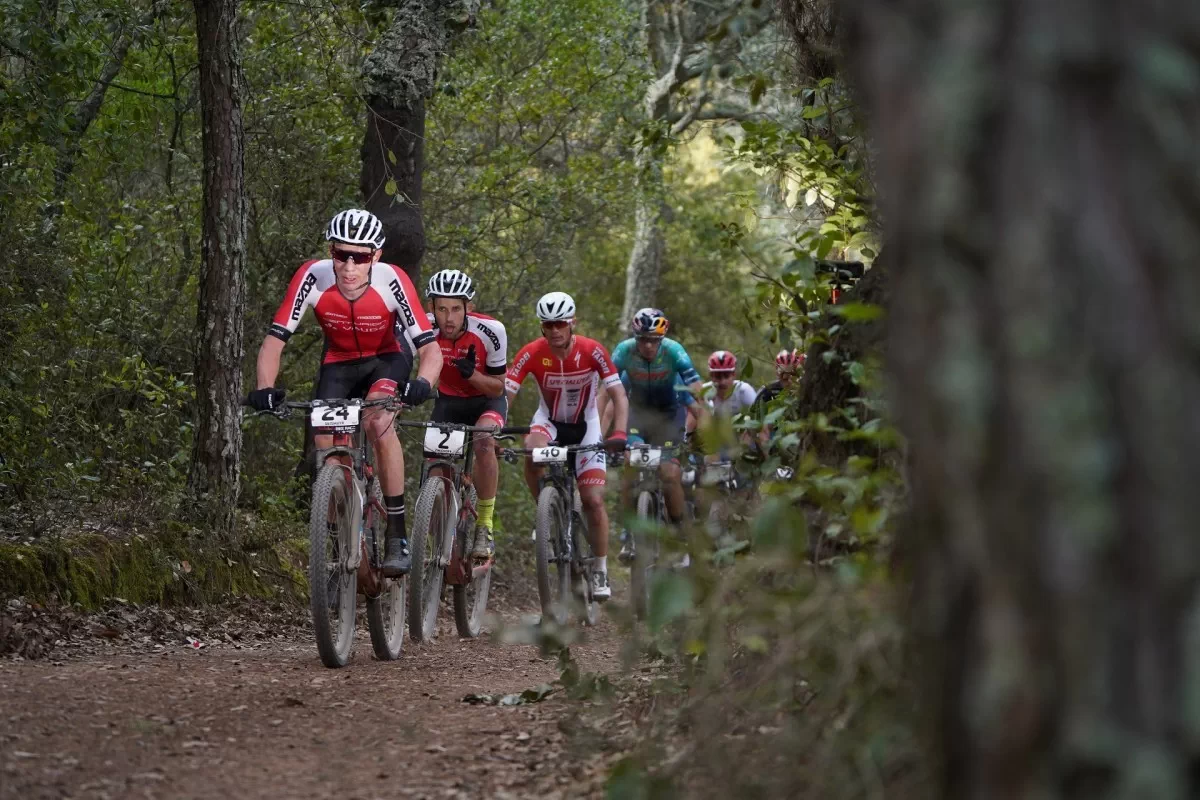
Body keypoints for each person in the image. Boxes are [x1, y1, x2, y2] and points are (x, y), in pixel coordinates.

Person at [249, 209, 441, 577]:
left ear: (377, 257)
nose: (350, 266)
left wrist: (423, 383)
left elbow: (430, 350)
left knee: (378, 421)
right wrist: (265, 389)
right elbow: (275, 341)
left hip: (388, 358)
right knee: (326, 442)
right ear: (330, 251)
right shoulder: (312, 276)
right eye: (341, 255)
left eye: (361, 256)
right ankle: (339, 550)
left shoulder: (393, 280)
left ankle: (396, 535)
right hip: (339, 361)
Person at [505, 291, 629, 601]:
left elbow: (619, 396)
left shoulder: (592, 350)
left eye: (560, 323)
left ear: (572, 323)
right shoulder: (532, 352)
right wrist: (495, 428)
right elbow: (506, 395)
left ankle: (600, 567)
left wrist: (620, 433)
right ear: (542, 327)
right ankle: (544, 514)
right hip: (548, 422)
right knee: (531, 450)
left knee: (593, 501)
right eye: (548, 325)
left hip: (586, 427)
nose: (555, 330)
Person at [422, 269, 508, 560]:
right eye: (442, 308)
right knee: (436, 470)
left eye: (456, 309)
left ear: (468, 307)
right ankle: (435, 549)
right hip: (448, 402)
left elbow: (498, 388)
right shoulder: (423, 327)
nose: (448, 317)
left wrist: (472, 376)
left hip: (486, 402)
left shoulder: (492, 331)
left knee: (484, 440)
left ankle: (484, 524)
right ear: (432, 306)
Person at [607, 308, 704, 533]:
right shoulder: (625, 353)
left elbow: (698, 399)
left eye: (653, 340)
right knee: (630, 465)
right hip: (637, 418)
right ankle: (628, 530)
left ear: (662, 338)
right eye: (642, 340)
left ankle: (679, 527)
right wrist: (602, 435)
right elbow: (610, 400)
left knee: (669, 474)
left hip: (669, 419)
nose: (648, 346)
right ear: (635, 337)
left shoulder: (674, 353)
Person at [754, 349, 805, 448]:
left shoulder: (804, 390)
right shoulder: (767, 391)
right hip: (775, 435)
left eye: (791, 372)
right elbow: (761, 427)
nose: (786, 377)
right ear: (776, 372)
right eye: (782, 372)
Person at [702, 350, 757, 417]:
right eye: (717, 376)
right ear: (711, 375)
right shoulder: (703, 391)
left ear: (734, 375)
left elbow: (758, 417)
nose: (722, 382)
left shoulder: (744, 391)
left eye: (726, 376)